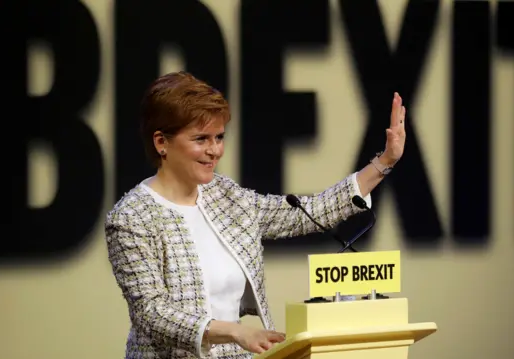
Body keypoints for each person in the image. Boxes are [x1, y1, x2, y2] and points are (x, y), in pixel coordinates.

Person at [104, 71, 406, 359]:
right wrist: (235, 332)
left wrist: (384, 161)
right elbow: (152, 313)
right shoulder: (131, 218)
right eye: (201, 139)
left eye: (219, 137)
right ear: (161, 143)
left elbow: (304, 214)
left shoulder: (225, 195)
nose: (215, 150)